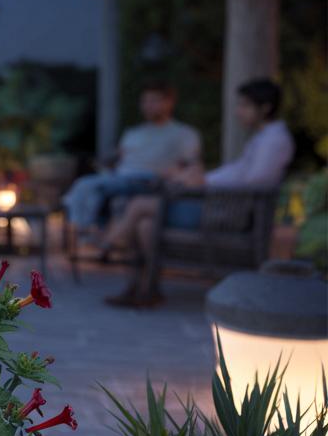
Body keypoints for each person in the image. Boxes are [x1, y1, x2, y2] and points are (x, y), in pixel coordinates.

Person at [102, 78, 294, 307]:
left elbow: (253, 182)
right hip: (221, 206)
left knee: (142, 204)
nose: (238, 112)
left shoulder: (274, 141)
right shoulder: (265, 139)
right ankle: (144, 289)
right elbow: (240, 173)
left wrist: (203, 182)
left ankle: (109, 244)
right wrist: (203, 177)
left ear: (265, 108)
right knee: (145, 224)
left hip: (225, 213)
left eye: (244, 105)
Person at [62, 81, 202, 228]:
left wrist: (173, 176)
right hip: (121, 178)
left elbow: (191, 166)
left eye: (154, 101)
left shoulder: (183, 134)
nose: (148, 105)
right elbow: (118, 158)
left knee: (85, 185)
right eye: (145, 101)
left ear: (169, 102)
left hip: (149, 180)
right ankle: (88, 232)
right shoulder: (133, 133)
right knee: (92, 191)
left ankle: (78, 231)